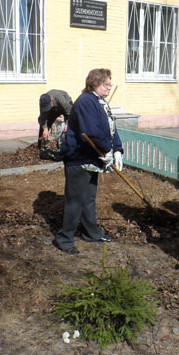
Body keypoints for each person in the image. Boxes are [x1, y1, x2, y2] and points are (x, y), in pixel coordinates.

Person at [52, 68, 123, 255]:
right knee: (75, 200)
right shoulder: (86, 102)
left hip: (92, 157)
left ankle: (91, 232)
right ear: (95, 83)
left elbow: (110, 127)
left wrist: (116, 149)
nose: (109, 88)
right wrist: (106, 149)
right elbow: (91, 132)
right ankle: (64, 238)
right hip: (79, 158)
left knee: (89, 198)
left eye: (109, 85)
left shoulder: (100, 102)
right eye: (106, 84)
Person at [38, 89, 73, 159]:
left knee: (68, 128)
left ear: (51, 102)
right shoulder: (43, 101)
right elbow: (42, 117)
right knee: (44, 126)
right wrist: (45, 128)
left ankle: (66, 147)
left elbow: (71, 113)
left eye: (48, 107)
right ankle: (41, 146)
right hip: (54, 109)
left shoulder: (61, 100)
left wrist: (67, 123)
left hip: (67, 108)